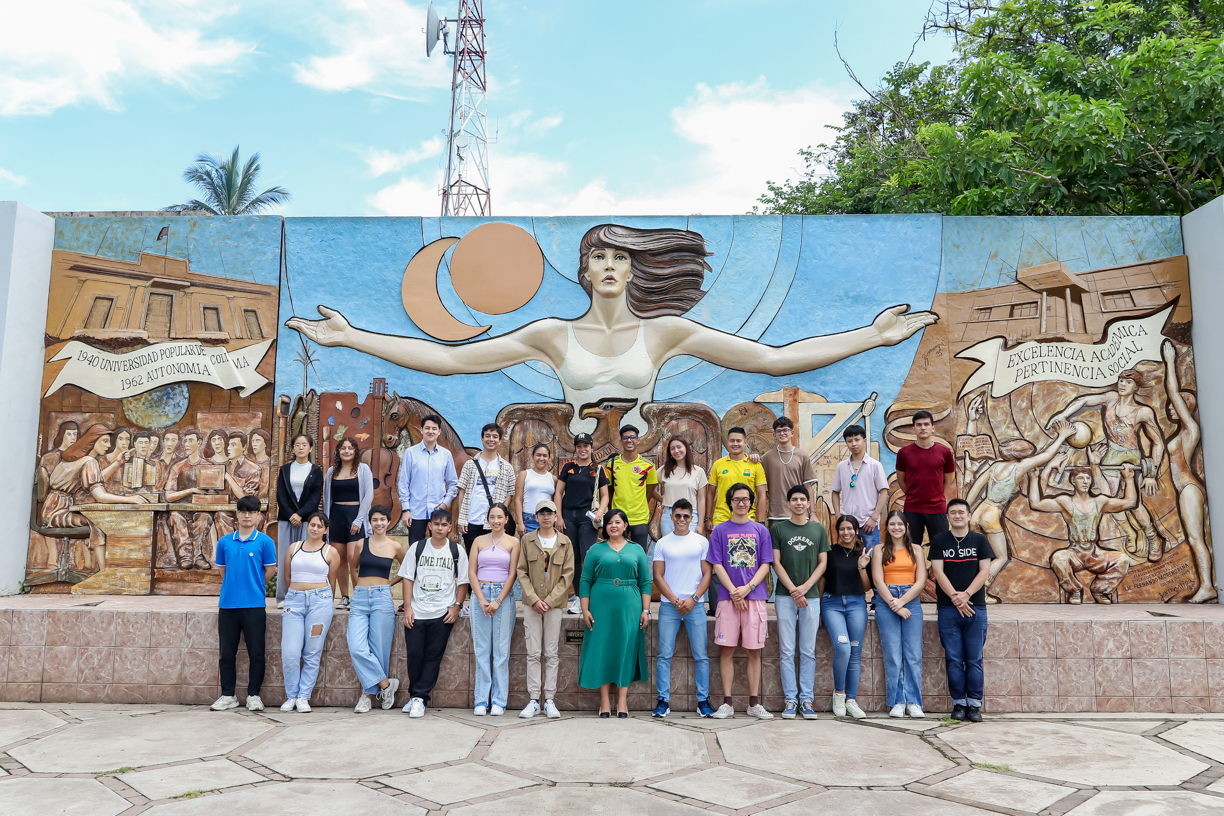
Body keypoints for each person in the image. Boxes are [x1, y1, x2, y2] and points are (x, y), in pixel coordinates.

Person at [288, 224, 936, 438]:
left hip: (643, 472)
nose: (608, 266)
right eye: (598, 257)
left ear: (634, 270)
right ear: (584, 269)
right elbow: (453, 360)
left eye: (619, 258)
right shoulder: (549, 334)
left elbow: (773, 359)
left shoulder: (664, 333)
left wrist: (872, 338)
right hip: (567, 475)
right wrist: (352, 338)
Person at [1047, 371, 1172, 562]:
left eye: (1128, 382)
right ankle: (1129, 532)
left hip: (1130, 458)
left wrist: (1150, 473)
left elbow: (1158, 442)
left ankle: (1152, 536)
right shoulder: (1111, 399)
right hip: (1110, 456)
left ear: (1135, 387)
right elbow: (1084, 401)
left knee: (1134, 502)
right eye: (1121, 380)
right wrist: (1063, 415)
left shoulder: (1143, 412)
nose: (1122, 384)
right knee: (1108, 499)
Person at [965, 420, 1074, 601]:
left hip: (976, 513)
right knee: (1000, 557)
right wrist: (1062, 436)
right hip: (992, 515)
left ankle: (971, 590)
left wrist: (964, 512)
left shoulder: (994, 467)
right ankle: (980, 592)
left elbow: (975, 489)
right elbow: (1046, 455)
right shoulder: (1018, 467)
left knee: (979, 557)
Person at [706, 483, 774, 720]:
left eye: (746, 499)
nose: (741, 503)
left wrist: (748, 588)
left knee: (754, 651)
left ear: (751, 503)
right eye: (736, 499)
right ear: (730, 502)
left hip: (755, 598)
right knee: (726, 650)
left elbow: (766, 564)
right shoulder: (720, 531)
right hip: (727, 598)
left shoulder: (760, 530)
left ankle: (754, 703)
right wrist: (735, 591)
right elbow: (716, 564)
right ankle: (727, 702)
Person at [1027, 458, 1137, 603]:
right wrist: (1034, 479)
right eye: (1080, 478)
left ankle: (1100, 590)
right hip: (1075, 553)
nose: (1085, 481)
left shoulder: (1099, 501)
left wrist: (1129, 478)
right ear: (1073, 481)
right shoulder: (1065, 501)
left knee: (1122, 559)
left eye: (1087, 478)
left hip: (1095, 553)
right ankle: (1074, 590)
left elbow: (1130, 502)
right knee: (1059, 559)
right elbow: (1036, 504)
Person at [42, 424, 147, 572]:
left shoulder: (78, 459)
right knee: (99, 523)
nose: (109, 445)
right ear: (93, 441)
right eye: (104, 441)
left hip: (52, 508)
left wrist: (118, 462)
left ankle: (107, 569)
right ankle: (104, 571)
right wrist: (130, 499)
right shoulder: (89, 462)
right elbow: (100, 495)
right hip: (58, 512)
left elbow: (95, 479)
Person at [578, 509, 652, 717]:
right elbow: (585, 580)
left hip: (630, 606)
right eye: (610, 522)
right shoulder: (596, 549)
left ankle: (622, 702)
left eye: (618, 522)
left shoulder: (637, 550)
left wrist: (645, 610)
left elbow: (645, 581)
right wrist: (585, 609)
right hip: (601, 605)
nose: (613, 526)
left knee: (625, 650)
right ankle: (604, 703)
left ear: (625, 526)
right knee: (601, 649)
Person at [399, 508, 469, 717]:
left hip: (442, 612)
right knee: (414, 655)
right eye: (436, 524)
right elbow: (407, 578)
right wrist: (408, 607)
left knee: (432, 656)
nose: (439, 528)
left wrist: (456, 606)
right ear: (429, 525)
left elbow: (462, 581)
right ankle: (414, 696)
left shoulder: (457, 551)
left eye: (444, 524)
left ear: (450, 527)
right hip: (417, 611)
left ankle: (420, 697)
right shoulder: (417, 548)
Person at [1161, 340, 1217, 602]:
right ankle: (1206, 584)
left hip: (1189, 488)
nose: (1171, 406)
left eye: (1178, 404)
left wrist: (1170, 363)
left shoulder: (1190, 431)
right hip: (1184, 488)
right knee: (1194, 539)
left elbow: (1173, 392)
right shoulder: (1181, 433)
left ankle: (1207, 586)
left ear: (1187, 407)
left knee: (1196, 539)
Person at [930, 498, 994, 722]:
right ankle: (958, 704)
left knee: (974, 659)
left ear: (969, 516)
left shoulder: (980, 540)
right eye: (953, 513)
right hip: (948, 609)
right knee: (954, 659)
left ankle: (974, 705)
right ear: (947, 517)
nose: (957, 516)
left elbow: (984, 571)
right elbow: (938, 572)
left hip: (975, 608)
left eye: (961, 512)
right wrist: (956, 599)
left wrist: (966, 595)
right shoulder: (939, 541)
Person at [210, 495, 276, 712]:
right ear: (237, 514)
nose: (247, 515)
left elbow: (270, 570)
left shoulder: (265, 542)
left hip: (254, 604)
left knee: (256, 652)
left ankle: (254, 695)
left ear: (259, 515)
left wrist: (253, 585)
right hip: (228, 604)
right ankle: (228, 695)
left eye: (251, 512)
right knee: (227, 653)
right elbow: (222, 570)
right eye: (243, 511)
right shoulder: (225, 542)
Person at [769, 485, 829, 720]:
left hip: (811, 597)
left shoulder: (818, 529)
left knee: (808, 650)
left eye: (803, 499)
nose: (799, 503)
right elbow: (776, 562)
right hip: (785, 596)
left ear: (808, 503)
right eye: (794, 499)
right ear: (788, 502)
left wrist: (804, 588)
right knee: (786, 650)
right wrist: (794, 590)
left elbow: (822, 563)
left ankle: (806, 699)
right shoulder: (778, 528)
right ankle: (791, 699)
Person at [652, 499, 714, 719]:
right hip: (670, 605)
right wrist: (675, 600)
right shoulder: (663, 543)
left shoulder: (700, 542)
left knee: (701, 655)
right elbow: (657, 576)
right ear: (672, 517)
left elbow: (708, 573)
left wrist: (694, 598)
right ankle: (663, 700)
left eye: (686, 516)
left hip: (695, 605)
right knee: (663, 655)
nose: (681, 520)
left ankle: (703, 700)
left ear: (692, 518)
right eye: (678, 515)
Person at [516, 499, 574, 719]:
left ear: (556, 515)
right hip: (532, 605)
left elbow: (567, 575)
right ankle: (533, 699)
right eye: (542, 513)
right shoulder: (527, 540)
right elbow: (522, 571)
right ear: (536, 517)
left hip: (554, 605)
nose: (546, 517)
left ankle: (549, 698)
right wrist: (533, 599)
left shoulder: (565, 542)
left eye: (550, 513)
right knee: (533, 653)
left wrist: (549, 600)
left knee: (551, 653)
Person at [279, 511, 339, 713]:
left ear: (326, 530)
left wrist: (325, 602)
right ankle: (291, 695)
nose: (315, 528)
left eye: (319, 526)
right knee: (290, 652)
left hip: (320, 603)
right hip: (294, 602)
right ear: (307, 526)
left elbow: (332, 581)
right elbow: (287, 576)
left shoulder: (330, 552)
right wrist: (295, 593)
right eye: (312, 524)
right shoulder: (293, 548)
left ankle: (303, 696)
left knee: (312, 652)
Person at [348, 504, 406, 713]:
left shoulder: (395, 546)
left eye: (383, 519)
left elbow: (409, 570)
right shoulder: (360, 544)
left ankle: (367, 694)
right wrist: (359, 589)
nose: (379, 523)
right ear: (369, 522)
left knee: (379, 650)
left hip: (382, 597)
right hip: (361, 599)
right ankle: (386, 684)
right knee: (356, 646)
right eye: (375, 520)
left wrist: (389, 584)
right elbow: (353, 567)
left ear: (388, 522)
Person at [871, 510, 927, 719]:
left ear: (906, 527)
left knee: (912, 654)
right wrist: (894, 605)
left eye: (900, 524)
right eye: (892, 524)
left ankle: (913, 701)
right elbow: (878, 580)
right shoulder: (879, 549)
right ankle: (897, 701)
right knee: (893, 655)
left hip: (910, 599)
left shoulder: (916, 550)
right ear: (887, 528)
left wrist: (902, 602)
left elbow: (921, 581)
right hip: (887, 600)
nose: (896, 528)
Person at [468, 503, 519, 715]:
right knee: (481, 650)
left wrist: (498, 600)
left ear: (506, 519)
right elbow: (471, 572)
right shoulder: (479, 541)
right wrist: (481, 599)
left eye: (500, 517)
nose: (496, 521)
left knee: (501, 652)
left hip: (503, 597)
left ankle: (499, 700)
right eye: (492, 517)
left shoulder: (513, 542)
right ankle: (481, 700)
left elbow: (512, 574)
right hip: (480, 593)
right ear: (487, 519)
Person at [823, 515, 871, 719]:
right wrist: (817, 605)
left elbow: (867, 587)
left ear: (856, 530)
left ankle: (851, 699)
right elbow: (822, 579)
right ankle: (839, 693)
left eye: (849, 528)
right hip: (832, 603)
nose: (846, 532)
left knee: (855, 650)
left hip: (856, 604)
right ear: (837, 531)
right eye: (842, 529)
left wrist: (861, 566)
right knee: (842, 648)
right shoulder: (830, 552)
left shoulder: (864, 553)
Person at [555, 432, 609, 614]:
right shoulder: (568, 467)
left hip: (588, 518)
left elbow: (605, 495)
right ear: (575, 449)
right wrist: (559, 517)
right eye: (579, 446)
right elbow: (558, 493)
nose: (582, 449)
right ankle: (579, 597)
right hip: (568, 517)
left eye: (586, 446)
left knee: (587, 558)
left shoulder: (598, 469)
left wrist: (600, 512)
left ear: (591, 448)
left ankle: (590, 597)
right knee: (573, 558)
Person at [323, 436, 373, 610]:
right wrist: (326, 522)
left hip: (355, 515)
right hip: (336, 516)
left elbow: (368, 496)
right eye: (343, 448)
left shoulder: (363, 469)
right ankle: (344, 597)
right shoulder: (331, 472)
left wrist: (359, 519)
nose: (346, 451)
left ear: (355, 451)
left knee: (354, 558)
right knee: (339, 559)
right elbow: (328, 498)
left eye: (350, 448)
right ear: (338, 451)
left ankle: (358, 597)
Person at [275, 434, 325, 605]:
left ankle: (305, 595)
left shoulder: (316, 471)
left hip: (306, 521)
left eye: (304, 444)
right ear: (293, 448)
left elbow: (315, 497)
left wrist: (301, 515)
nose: (301, 447)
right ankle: (283, 596)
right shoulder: (284, 470)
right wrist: (291, 515)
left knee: (305, 557)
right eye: (297, 444)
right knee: (285, 557)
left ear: (310, 448)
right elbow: (281, 496)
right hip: (286, 519)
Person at [896, 410, 956, 546]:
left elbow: (948, 479)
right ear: (913, 429)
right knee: (911, 548)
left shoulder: (945, 452)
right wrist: (913, 495)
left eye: (926, 424)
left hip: (937, 509)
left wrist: (938, 495)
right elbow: (901, 480)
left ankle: (936, 569)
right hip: (912, 509)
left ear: (933, 428)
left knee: (941, 548)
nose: (923, 428)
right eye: (919, 425)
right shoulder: (903, 453)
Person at [397, 413, 458, 543]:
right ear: (421, 430)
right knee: (415, 549)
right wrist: (406, 509)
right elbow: (404, 483)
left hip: (438, 511)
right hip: (415, 511)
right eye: (427, 428)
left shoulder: (445, 455)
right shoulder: (411, 453)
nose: (430, 431)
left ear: (439, 431)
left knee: (438, 547)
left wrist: (444, 504)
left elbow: (453, 484)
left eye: (434, 428)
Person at [456, 423, 516, 552]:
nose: (491, 439)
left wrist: (499, 516)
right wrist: (462, 518)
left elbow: (509, 495)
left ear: (500, 441)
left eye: (495, 436)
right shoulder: (469, 465)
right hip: (472, 521)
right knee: (472, 559)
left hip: (494, 524)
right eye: (487, 436)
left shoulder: (507, 467)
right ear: (482, 439)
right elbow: (462, 492)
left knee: (492, 559)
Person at [831, 424, 890, 551]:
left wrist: (874, 518)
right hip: (848, 522)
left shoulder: (875, 465)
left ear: (864, 441)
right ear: (846, 443)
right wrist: (838, 516)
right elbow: (835, 491)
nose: (854, 444)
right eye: (850, 441)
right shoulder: (842, 466)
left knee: (872, 556)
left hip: (868, 522)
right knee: (849, 556)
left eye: (857, 439)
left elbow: (884, 492)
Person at [164, 427, 214, 570]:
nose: (186, 444)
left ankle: (198, 556)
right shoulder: (178, 467)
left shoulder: (208, 467)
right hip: (180, 509)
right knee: (175, 518)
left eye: (190, 441)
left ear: (199, 443)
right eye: (185, 441)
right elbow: (169, 496)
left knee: (204, 519)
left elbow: (214, 493)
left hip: (201, 509)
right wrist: (191, 490)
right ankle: (185, 557)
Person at [603, 424, 657, 549]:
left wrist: (640, 504)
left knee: (639, 554)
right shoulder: (611, 464)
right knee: (618, 553)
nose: (629, 440)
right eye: (625, 438)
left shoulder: (648, 466)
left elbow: (649, 491)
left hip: (640, 518)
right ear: (621, 441)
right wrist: (613, 511)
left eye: (632, 437)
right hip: (618, 518)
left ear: (638, 440)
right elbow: (609, 491)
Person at [706, 427, 768, 530]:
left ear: (745, 442)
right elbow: (710, 493)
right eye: (732, 441)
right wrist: (707, 518)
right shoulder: (718, 464)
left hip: (748, 519)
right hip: (721, 518)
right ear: (727, 442)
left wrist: (761, 521)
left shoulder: (755, 465)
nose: (735, 444)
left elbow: (762, 495)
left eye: (738, 441)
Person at [760, 418, 816, 523]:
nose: (782, 433)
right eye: (778, 431)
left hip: (800, 514)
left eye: (785, 430)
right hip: (776, 515)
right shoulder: (766, 457)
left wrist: (812, 513)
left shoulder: (802, 456)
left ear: (792, 433)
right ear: (774, 435)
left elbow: (808, 487)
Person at [654, 436, 708, 537]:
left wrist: (700, 524)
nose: (676, 451)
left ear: (686, 448)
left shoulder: (698, 471)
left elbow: (701, 499)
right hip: (669, 515)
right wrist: (664, 499)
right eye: (672, 448)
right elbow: (650, 488)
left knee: (690, 547)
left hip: (691, 515)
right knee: (669, 546)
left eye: (679, 447)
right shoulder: (665, 470)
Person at [516, 444, 556, 534]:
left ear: (549, 458)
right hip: (529, 520)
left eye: (545, 456)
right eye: (538, 455)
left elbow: (555, 501)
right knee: (529, 547)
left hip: (548, 520)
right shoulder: (524, 474)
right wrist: (520, 522)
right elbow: (518, 500)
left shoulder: (553, 479)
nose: (541, 458)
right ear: (532, 456)